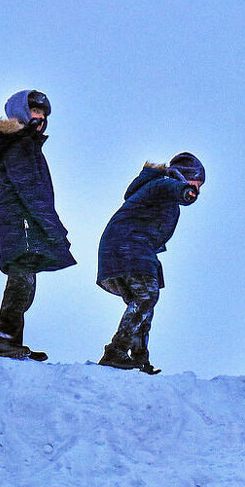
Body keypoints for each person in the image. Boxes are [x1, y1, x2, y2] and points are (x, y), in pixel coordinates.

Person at [0, 90, 76, 361]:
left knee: (25, 280)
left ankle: (12, 342)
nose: (40, 118)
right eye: (34, 112)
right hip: (20, 221)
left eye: (44, 114)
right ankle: (5, 339)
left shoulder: (25, 144)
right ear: (21, 114)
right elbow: (31, 191)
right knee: (22, 279)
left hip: (21, 220)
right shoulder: (19, 144)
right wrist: (54, 229)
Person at [95, 153, 204, 374]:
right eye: (196, 182)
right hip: (128, 248)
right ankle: (116, 351)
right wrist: (184, 191)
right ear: (184, 176)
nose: (198, 189)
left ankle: (139, 357)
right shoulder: (163, 184)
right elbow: (172, 189)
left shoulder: (158, 190)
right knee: (146, 296)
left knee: (143, 302)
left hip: (125, 249)